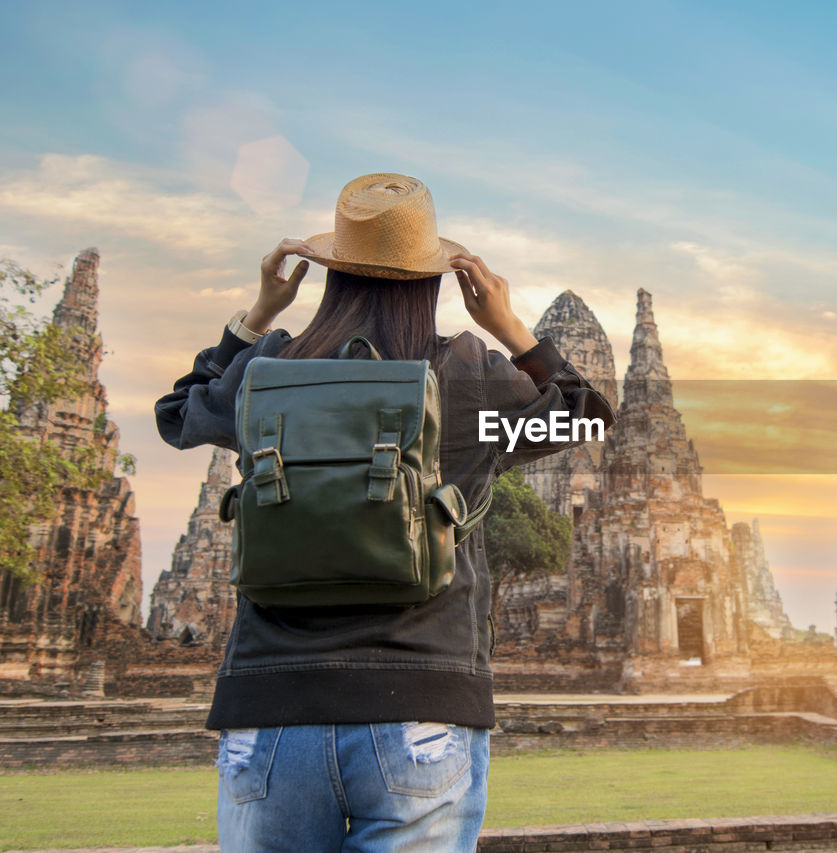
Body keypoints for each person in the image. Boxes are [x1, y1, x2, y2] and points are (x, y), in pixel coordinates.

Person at [155, 173, 614, 852]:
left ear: (331, 276)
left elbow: (176, 416)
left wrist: (257, 314)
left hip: (272, 703)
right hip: (422, 705)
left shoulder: (267, 371)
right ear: (431, 281)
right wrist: (508, 325)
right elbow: (590, 418)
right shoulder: (465, 376)